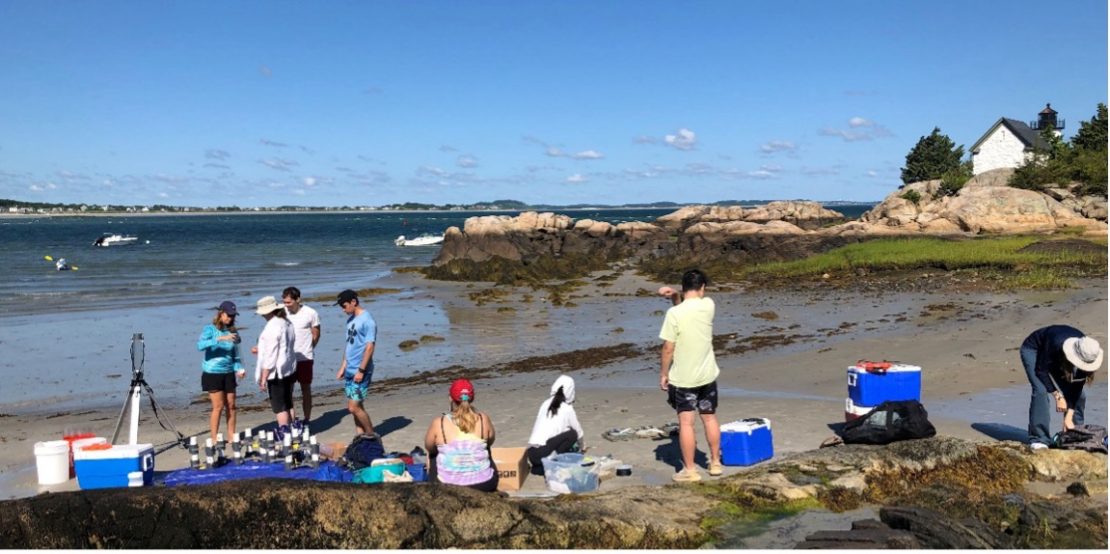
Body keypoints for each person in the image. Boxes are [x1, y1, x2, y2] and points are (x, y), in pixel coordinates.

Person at [658, 269, 722, 482]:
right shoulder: (708, 305)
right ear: (702, 287)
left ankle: (690, 470)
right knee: (709, 417)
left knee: (686, 423)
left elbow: (668, 347)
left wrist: (664, 373)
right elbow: (689, 302)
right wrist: (675, 295)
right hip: (707, 374)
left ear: (683, 287)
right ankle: (714, 463)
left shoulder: (674, 314)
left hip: (684, 378)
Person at [1020, 325, 1103, 449]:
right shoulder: (1055, 342)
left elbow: (1077, 386)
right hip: (1034, 350)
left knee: (1080, 395)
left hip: (1058, 357)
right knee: (1041, 390)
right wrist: (1057, 396)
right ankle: (1039, 438)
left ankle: (1073, 434)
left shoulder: (1088, 351)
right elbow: (1041, 370)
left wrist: (1068, 417)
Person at [423, 378, 499, 492]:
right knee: (485, 445)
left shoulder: (439, 423)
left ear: (450, 398)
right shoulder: (483, 419)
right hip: (485, 484)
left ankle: (436, 487)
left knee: (433, 453)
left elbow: (429, 447)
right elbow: (491, 440)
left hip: (448, 486)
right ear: (472, 398)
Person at [196, 300, 246, 441]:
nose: (230, 318)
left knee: (231, 405)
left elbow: (235, 353)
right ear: (221, 313)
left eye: (233, 316)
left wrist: (239, 368)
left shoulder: (232, 330)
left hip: (228, 372)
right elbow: (200, 346)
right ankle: (214, 438)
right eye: (228, 315)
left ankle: (231, 436)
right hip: (212, 373)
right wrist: (219, 338)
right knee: (218, 406)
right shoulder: (210, 329)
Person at [252, 295, 297, 431]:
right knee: (288, 403)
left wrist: (264, 376)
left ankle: (284, 432)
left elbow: (271, 354)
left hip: (276, 372)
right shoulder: (286, 322)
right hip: (289, 368)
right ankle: (293, 430)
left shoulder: (272, 326)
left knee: (280, 407)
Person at [525, 375, 585, 475]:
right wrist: (582, 447)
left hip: (531, 453)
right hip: (543, 452)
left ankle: (541, 466)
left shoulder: (545, 403)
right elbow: (579, 432)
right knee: (572, 434)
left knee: (563, 435)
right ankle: (551, 461)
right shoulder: (567, 408)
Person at [335, 289, 376, 436]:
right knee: (357, 405)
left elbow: (370, 347)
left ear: (353, 302)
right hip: (350, 369)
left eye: (344, 305)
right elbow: (349, 345)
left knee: (353, 407)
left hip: (361, 370)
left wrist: (362, 370)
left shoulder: (367, 321)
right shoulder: (350, 320)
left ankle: (371, 434)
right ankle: (360, 435)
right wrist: (343, 366)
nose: (343, 309)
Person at [282, 286, 321, 423]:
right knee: (288, 390)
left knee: (306, 388)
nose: (286, 305)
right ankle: (292, 419)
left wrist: (310, 347)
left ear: (298, 299)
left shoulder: (310, 313)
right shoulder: (282, 312)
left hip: (305, 357)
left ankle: (307, 419)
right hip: (288, 358)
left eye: (289, 302)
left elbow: (316, 333)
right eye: (284, 302)